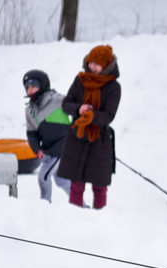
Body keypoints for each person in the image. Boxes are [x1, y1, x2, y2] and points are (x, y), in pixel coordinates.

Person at [58, 45, 121, 210]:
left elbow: (108, 116)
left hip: (100, 140)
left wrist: (93, 116)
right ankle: (74, 216)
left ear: (105, 65)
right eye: (90, 62)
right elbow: (66, 104)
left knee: (100, 187)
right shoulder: (80, 80)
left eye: (96, 64)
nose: (91, 66)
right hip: (77, 137)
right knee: (76, 184)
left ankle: (100, 218)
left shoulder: (114, 87)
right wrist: (78, 109)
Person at [23, 69, 72, 202]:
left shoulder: (57, 100)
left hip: (61, 147)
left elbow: (77, 109)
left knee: (43, 177)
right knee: (61, 180)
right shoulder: (29, 111)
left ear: (42, 84)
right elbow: (32, 134)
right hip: (47, 150)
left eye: (33, 85)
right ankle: (81, 206)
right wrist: (37, 149)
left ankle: (44, 206)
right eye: (27, 87)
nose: (30, 89)